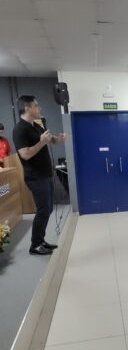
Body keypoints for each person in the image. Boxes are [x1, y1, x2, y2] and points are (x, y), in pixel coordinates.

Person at [12, 96, 65, 255]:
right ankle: (35, 245)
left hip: (45, 174)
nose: (39, 108)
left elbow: (51, 140)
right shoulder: (19, 129)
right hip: (35, 177)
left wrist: (59, 139)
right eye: (36, 105)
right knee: (43, 210)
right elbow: (25, 154)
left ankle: (40, 241)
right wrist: (42, 142)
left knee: (47, 210)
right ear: (27, 108)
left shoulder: (36, 124)